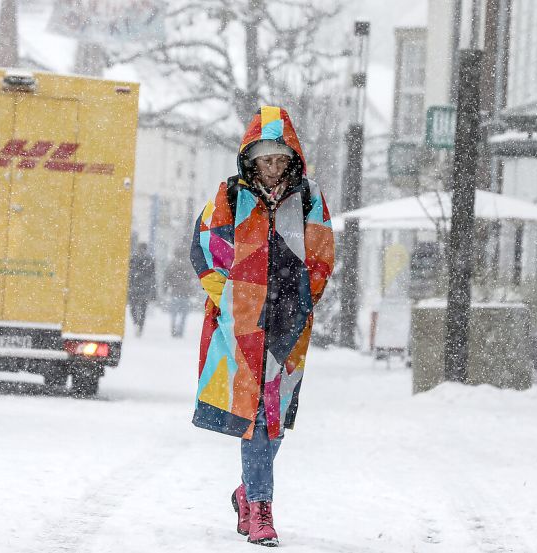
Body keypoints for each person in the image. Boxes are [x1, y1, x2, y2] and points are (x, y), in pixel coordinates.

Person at [189, 106, 335, 547]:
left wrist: (296, 305)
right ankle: (262, 510)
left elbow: (321, 259)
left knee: (275, 417)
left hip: (289, 329)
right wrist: (236, 303)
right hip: (240, 327)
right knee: (255, 416)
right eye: (263, 160)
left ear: (292, 159)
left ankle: (247, 492)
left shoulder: (308, 200)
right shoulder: (230, 197)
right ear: (249, 160)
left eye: (279, 159)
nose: (272, 169)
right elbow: (205, 252)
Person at [163, 250, 196, 337]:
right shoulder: (188, 265)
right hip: (185, 293)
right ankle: (180, 330)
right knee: (183, 314)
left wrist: (165, 289)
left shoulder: (172, 265)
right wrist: (192, 291)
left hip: (175, 292)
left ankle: (173, 329)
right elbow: (192, 279)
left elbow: (167, 278)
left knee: (174, 313)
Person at [127, 242, 156, 337]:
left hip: (136, 288)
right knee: (140, 309)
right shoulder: (149, 260)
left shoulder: (134, 259)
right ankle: (139, 325)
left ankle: (138, 324)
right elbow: (152, 276)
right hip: (142, 288)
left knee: (136, 308)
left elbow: (130, 273)